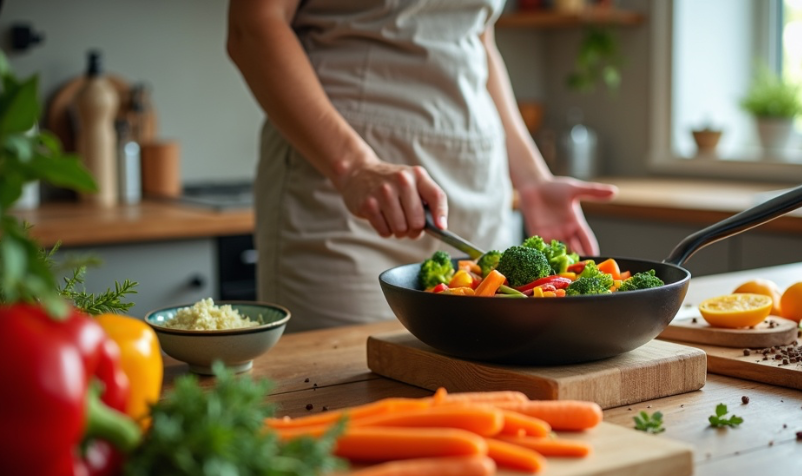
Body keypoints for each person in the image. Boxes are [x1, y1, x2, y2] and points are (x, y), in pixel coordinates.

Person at [226, 0, 618, 333]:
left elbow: (476, 39)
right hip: (347, 188)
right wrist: (355, 166)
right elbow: (253, 27)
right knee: (346, 394)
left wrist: (531, 177)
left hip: (479, 185)